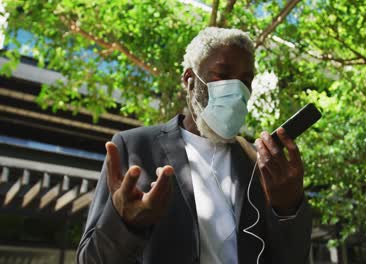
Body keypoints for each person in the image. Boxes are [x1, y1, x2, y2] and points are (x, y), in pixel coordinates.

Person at [76, 27, 313, 264]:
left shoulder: (257, 162)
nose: (236, 88)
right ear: (190, 80)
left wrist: (288, 208)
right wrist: (123, 224)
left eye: (245, 80)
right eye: (222, 74)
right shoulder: (135, 146)